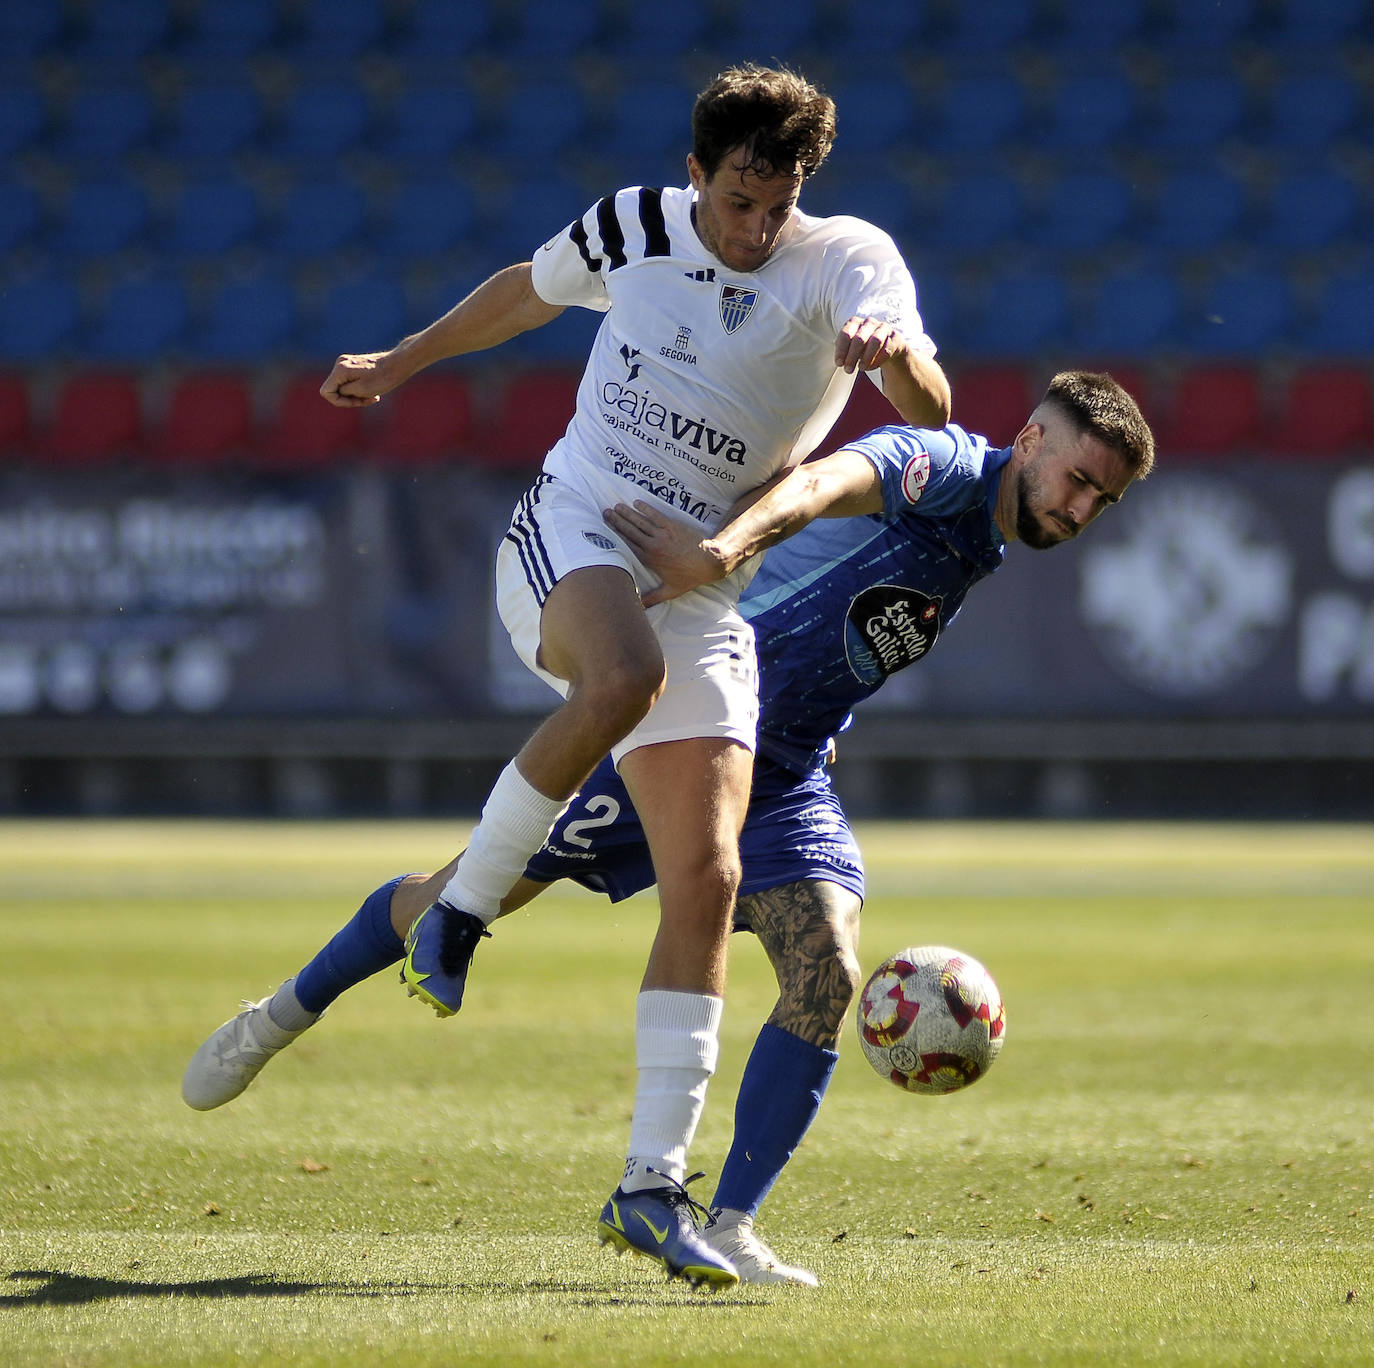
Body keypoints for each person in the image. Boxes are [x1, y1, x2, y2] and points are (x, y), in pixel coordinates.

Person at [183, 371, 1154, 1285]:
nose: (1077, 509)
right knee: (457, 901)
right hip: (688, 725)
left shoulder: (987, 538)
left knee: (825, 966)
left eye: (1098, 502)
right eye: (1075, 480)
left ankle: (729, 1224)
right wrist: (725, 552)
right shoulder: (942, 470)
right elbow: (826, 479)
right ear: (1029, 440)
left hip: (784, 770)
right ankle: (276, 1019)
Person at [315, 64, 948, 1286]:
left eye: (781, 203)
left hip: (701, 583)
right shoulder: (636, 224)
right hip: (575, 528)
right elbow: (523, 294)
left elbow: (931, 395)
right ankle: (451, 918)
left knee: (705, 876)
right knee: (619, 683)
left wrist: (891, 359)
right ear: (699, 172)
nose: (758, 229)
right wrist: (402, 360)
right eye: (740, 200)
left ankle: (651, 1189)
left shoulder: (845, 259)